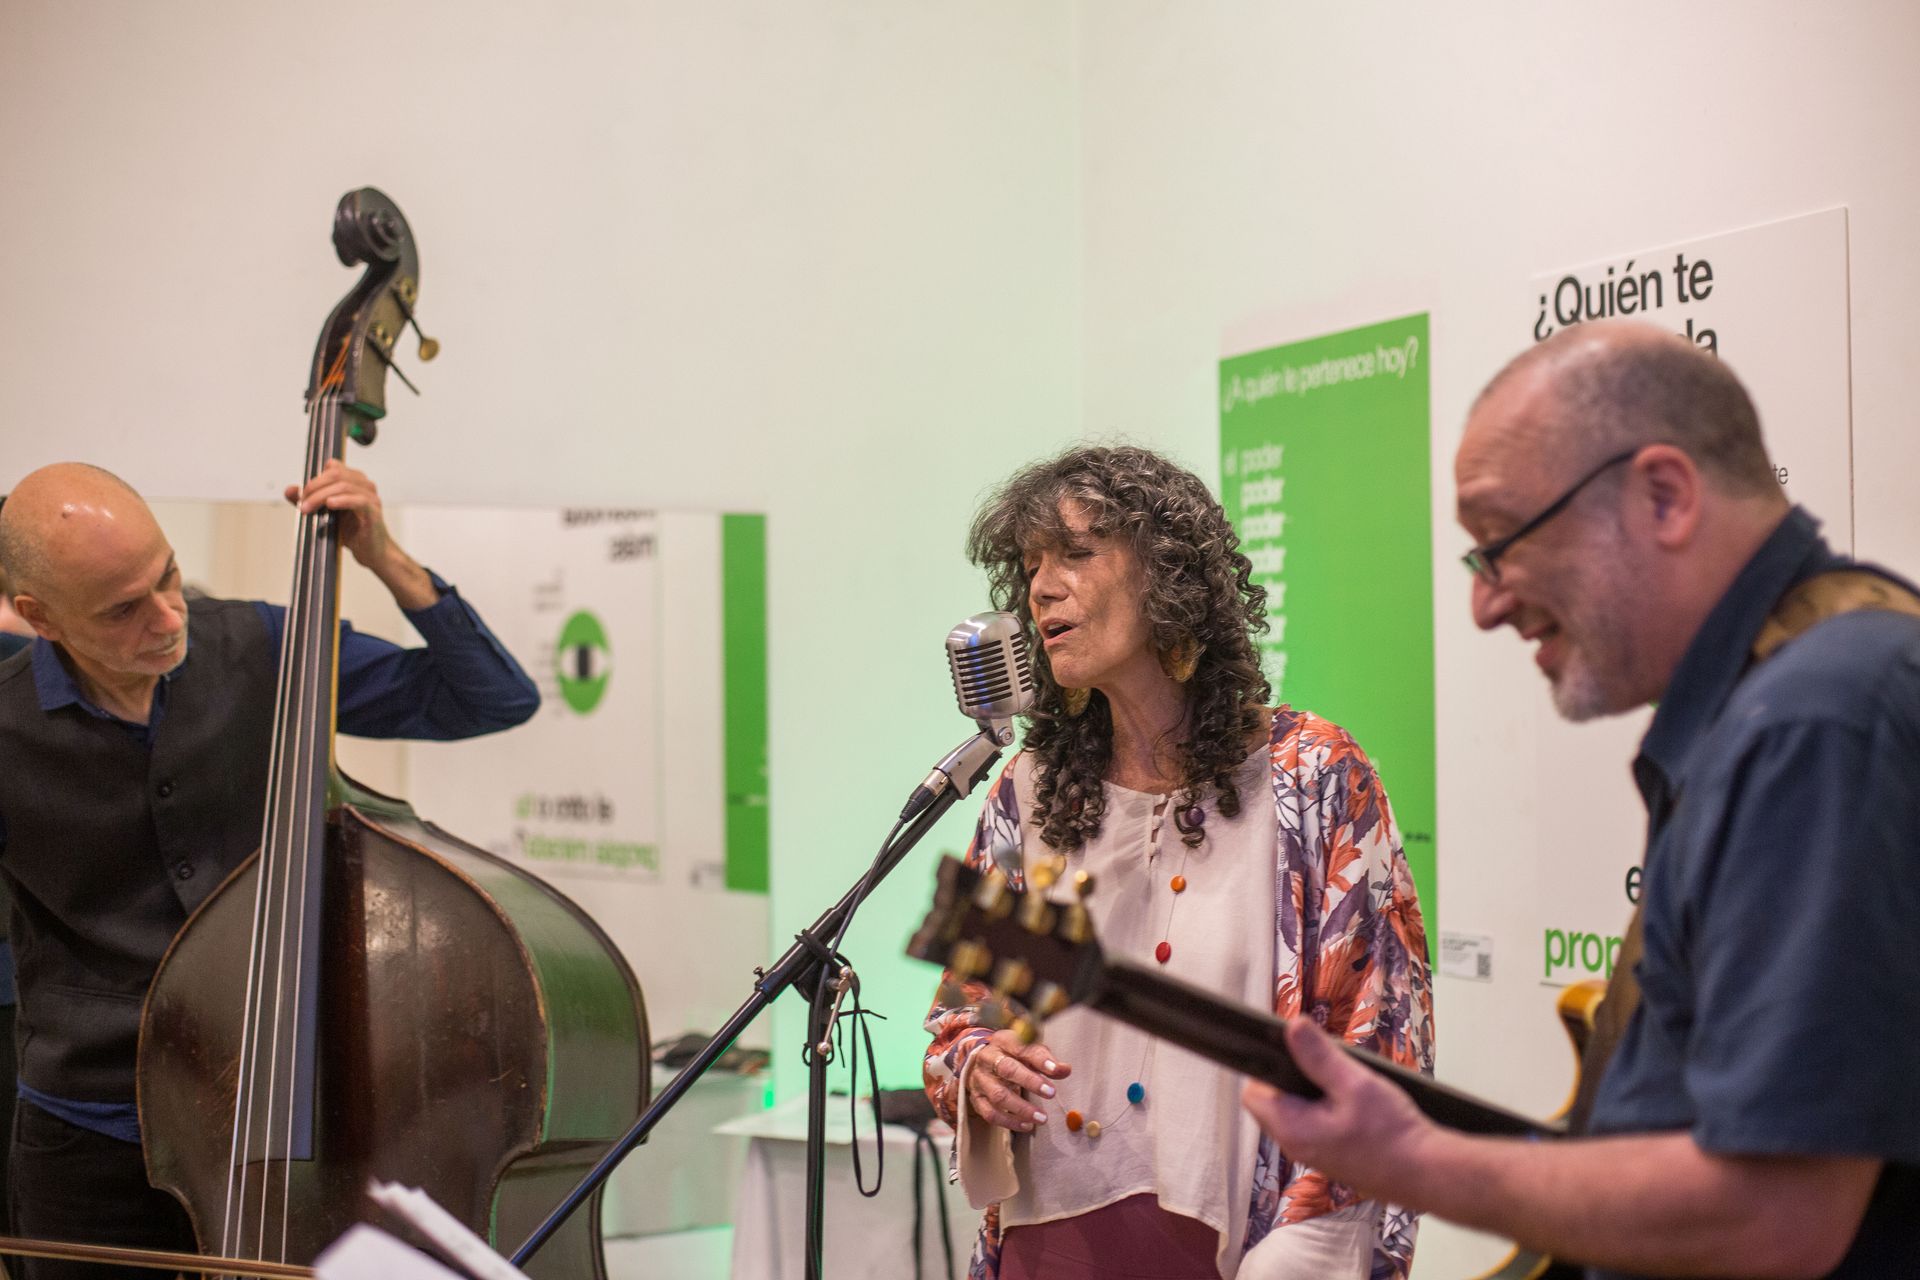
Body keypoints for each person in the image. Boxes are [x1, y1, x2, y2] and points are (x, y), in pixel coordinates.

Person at [1242, 321, 1920, 1279]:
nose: (1485, 604)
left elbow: (1776, 1214)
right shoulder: (1813, 685)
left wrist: (1415, 1163)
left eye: (1502, 544)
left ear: (1665, 495)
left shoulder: (1813, 723)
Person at [0, 461, 541, 1280]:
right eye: (121, 610)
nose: (166, 616)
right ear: (39, 618)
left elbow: (491, 697)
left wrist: (384, 557)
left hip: (287, 1123)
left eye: (169, 576)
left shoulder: (261, 645)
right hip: (91, 1136)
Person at [923, 445, 1434, 1280]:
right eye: (1029, 568)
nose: (1041, 589)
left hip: (1247, 1255)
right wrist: (978, 1070)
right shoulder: (1025, 793)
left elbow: (1382, 1044)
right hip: (1046, 1247)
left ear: (1168, 577)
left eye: (1077, 555)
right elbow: (959, 1023)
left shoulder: (1311, 776)